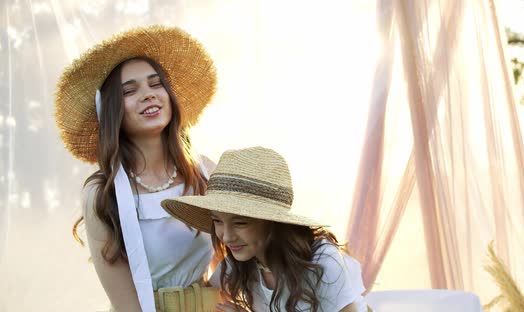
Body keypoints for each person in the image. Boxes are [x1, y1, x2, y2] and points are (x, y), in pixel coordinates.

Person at [54, 25, 219, 311]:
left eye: (157, 85)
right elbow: (126, 304)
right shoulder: (103, 196)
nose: (148, 95)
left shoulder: (205, 172)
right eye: (130, 91)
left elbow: (242, 254)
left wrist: (219, 297)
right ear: (112, 110)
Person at [161, 146, 369, 312]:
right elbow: (204, 296)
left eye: (240, 222)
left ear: (272, 222)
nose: (226, 235)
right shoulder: (238, 263)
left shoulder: (322, 262)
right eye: (217, 221)